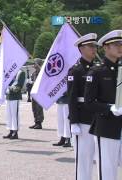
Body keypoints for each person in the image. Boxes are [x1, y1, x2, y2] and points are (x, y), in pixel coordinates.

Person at [84, 30, 122, 180]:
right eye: (116, 44)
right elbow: (89, 102)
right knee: (107, 171)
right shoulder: (97, 72)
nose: (120, 47)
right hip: (106, 127)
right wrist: (109, 108)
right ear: (105, 47)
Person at [67, 33, 98, 180]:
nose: (94, 49)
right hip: (82, 120)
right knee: (84, 159)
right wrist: (73, 122)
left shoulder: (97, 69)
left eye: (95, 46)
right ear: (81, 48)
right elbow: (72, 98)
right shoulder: (76, 70)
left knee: (98, 158)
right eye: (90, 46)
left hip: (97, 120)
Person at [3, 69, 25, 140]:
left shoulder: (21, 72)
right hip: (9, 96)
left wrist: (8, 87)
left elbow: (18, 87)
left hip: (15, 96)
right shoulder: (10, 71)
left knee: (14, 115)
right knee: (9, 115)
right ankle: (11, 130)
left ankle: (15, 132)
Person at [29, 58, 44, 129]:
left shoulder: (42, 73)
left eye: (35, 63)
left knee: (38, 108)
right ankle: (36, 121)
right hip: (34, 93)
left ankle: (39, 123)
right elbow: (31, 81)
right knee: (34, 108)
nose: (33, 65)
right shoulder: (34, 73)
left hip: (39, 93)